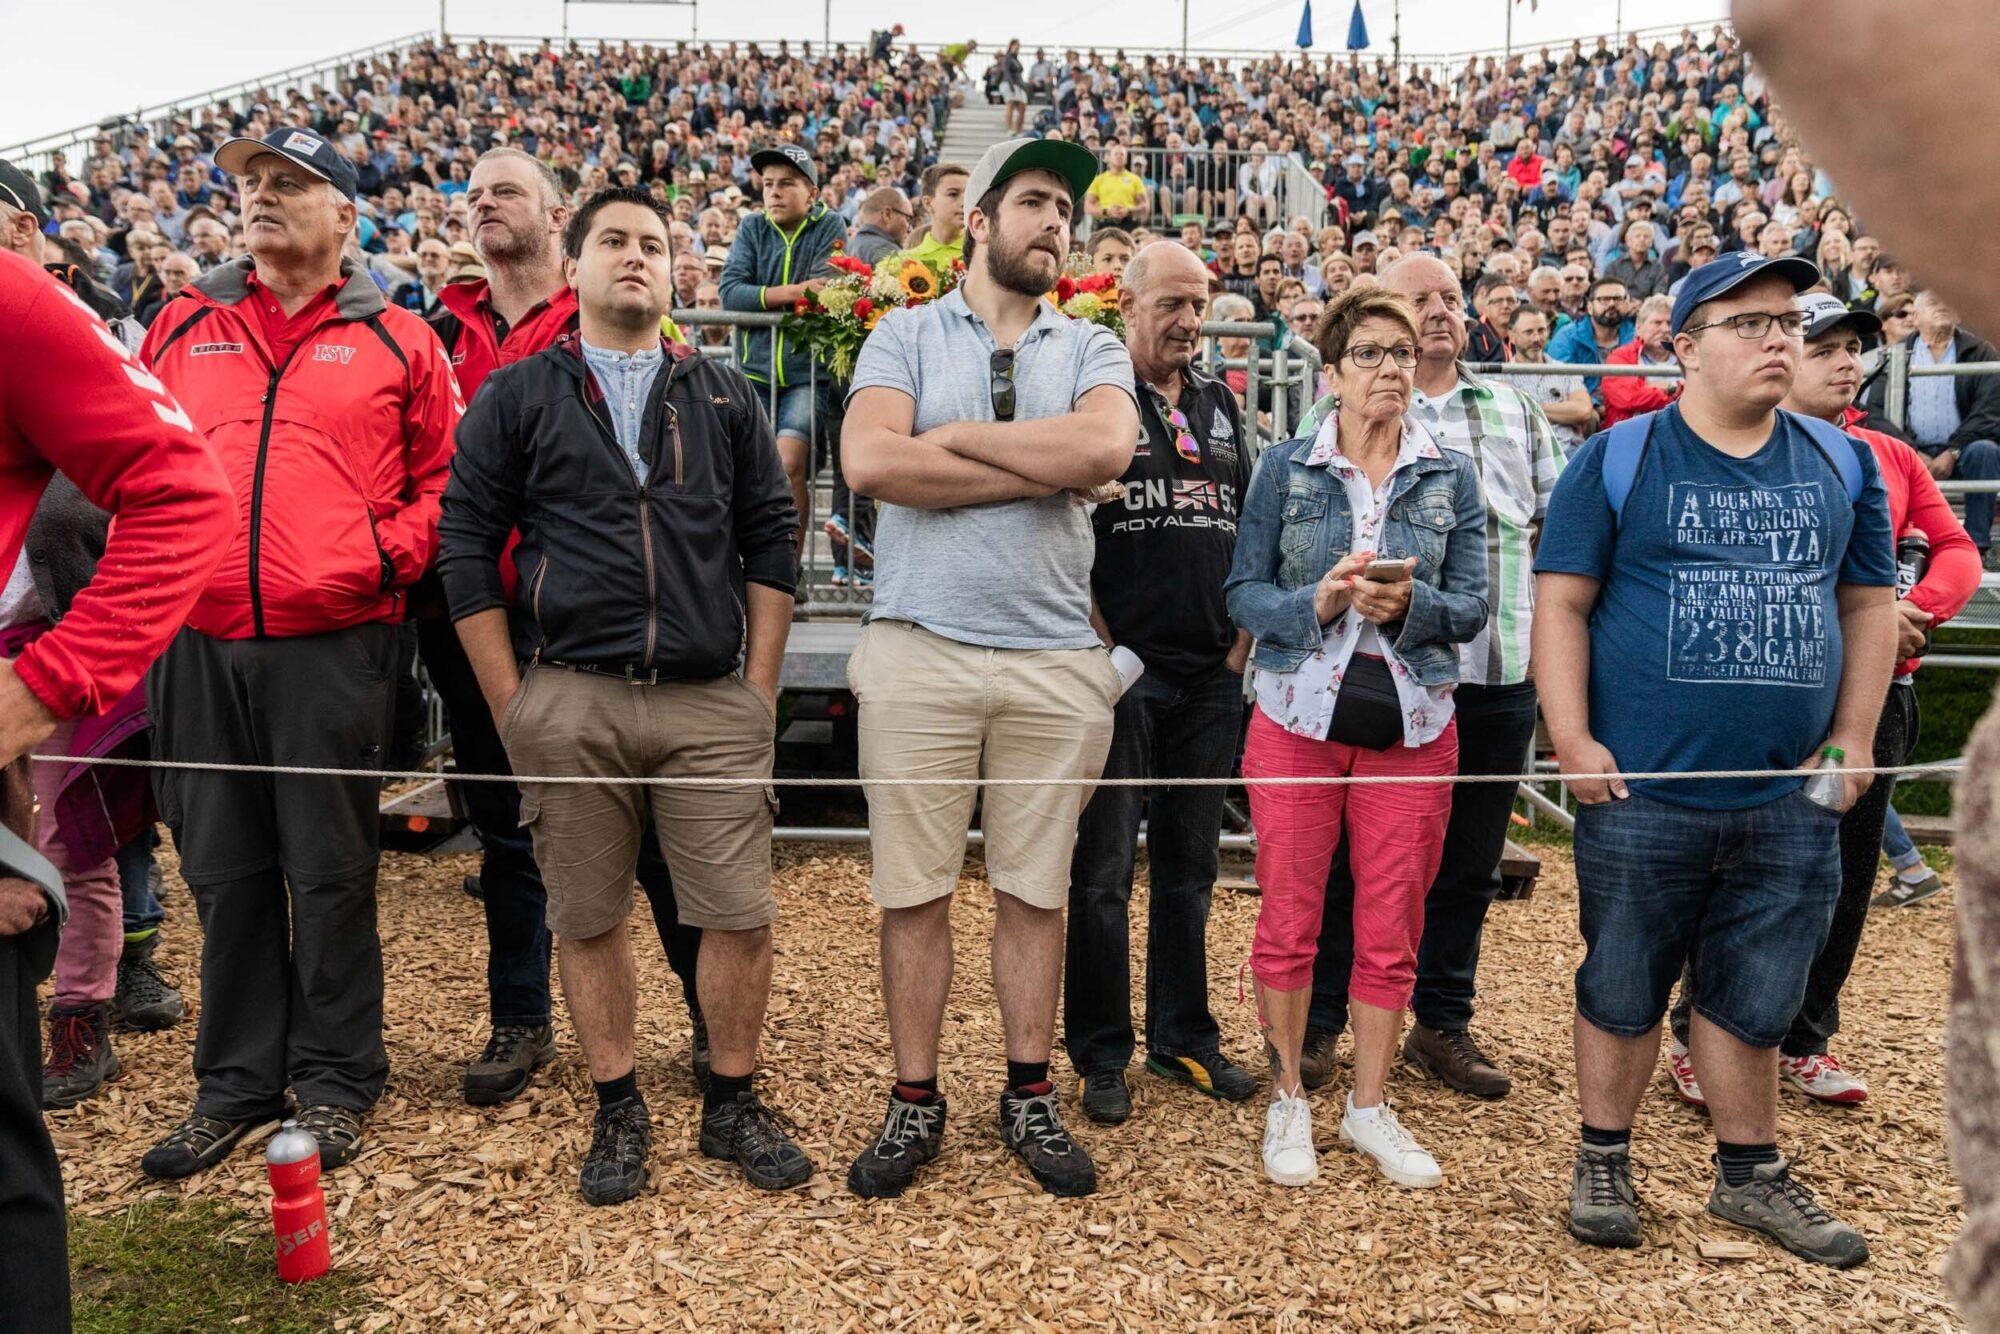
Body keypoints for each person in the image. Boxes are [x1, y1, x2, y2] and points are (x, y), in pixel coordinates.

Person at [441, 179, 807, 1204]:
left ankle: (729, 1094)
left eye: (652, 241)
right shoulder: (518, 394)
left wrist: (759, 690)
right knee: (587, 912)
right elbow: (463, 545)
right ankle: (617, 1103)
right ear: (575, 263)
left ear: (675, 265)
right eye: (613, 239)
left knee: (735, 911)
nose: (634, 255)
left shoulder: (726, 392)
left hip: (705, 700)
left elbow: (770, 538)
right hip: (573, 693)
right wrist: (514, 700)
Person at [1535, 253, 1897, 1267]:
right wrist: (1571, 738)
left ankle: (1748, 1173)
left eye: (1788, 320)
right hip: (1642, 783)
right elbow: (1558, 601)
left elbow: (1867, 605)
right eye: (1749, 322)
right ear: (1683, 345)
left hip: (1790, 791)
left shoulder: (1840, 463)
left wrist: (1854, 735)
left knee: (1756, 990)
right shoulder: (1616, 458)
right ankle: (1602, 1154)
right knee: (1620, 977)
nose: (1778, 337)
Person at [137, 127, 461, 1180]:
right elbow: (130, 461)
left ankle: (333, 1078)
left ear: (345, 218)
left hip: (335, 642)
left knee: (329, 872)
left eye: (290, 184)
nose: (262, 198)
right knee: (224, 871)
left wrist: (372, 561)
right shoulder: (183, 322)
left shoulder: (404, 339)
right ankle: (232, 1084)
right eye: (253, 185)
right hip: (196, 642)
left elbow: (443, 484)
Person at [840, 137, 1138, 1200]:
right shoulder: (901, 331)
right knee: (911, 890)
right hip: (919, 642)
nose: (1052, 220)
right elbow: (871, 462)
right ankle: (913, 1095)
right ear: (978, 222)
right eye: (1031, 202)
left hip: (1056, 655)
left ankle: (1027, 1090)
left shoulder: (1094, 345)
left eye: (1063, 206)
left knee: (1034, 890)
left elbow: (1102, 453)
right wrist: (1031, 465)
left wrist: (956, 441)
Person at [425, 147, 710, 1106]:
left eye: (505, 189)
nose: (482, 204)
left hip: (588, 620)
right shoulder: (439, 332)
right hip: (480, 616)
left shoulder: (599, 325)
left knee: (663, 842)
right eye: (472, 194)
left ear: (559, 223)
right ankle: (521, 1018)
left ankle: (711, 1023)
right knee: (506, 825)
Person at [1666, 292, 1978, 1107]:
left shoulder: (1888, 456)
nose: (1847, 362)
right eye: (1827, 345)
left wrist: (1918, 611)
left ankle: (1805, 1037)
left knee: (1843, 874)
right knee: (1736, 868)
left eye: (1856, 349)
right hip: (1777, 692)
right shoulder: (1723, 455)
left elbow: (1955, 549)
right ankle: (1700, 1033)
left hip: (1879, 695)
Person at [0, 245, 234, 1333]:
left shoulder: (10, 297)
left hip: (96, 679)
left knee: (102, 856)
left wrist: (44, 683)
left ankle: (90, 1007)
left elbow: (180, 489)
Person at [1226, 285, 1488, 1188]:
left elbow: (1474, 604)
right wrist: (1322, 600)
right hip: (1297, 717)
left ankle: (1370, 1107)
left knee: (1392, 923)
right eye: (1370, 353)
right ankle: (1289, 1097)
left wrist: (1414, 604)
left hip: (1413, 725)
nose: (1390, 370)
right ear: (1331, 371)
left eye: (1402, 355)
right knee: (1291, 913)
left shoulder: (1449, 473)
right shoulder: (1284, 468)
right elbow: (1243, 595)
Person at [1293, 256, 1565, 1102]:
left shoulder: (1516, 412)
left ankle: (1441, 1022)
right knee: (1349, 858)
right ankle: (1327, 1019)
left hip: (1493, 673)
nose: (1440, 313)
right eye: (1420, 302)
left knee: (1471, 863)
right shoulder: (1327, 415)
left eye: (1451, 297)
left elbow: (1558, 537)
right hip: (1378, 677)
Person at [1066, 241, 1257, 1124]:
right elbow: (1065, 536)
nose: (1189, 321)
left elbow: (1257, 532)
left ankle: (1183, 1036)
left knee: (1190, 870)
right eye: (1172, 304)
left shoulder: (1221, 405)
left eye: (1200, 304)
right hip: (1124, 674)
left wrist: (1239, 652)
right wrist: (1109, 654)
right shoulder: (1097, 398)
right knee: (1102, 871)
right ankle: (1100, 1053)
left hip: (1211, 676)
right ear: (1127, 304)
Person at [720, 145, 847, 562]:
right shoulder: (752, 227)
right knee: (747, 472)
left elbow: (827, 290)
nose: (773, 192)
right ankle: (748, 566)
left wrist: (766, 297)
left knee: (789, 464)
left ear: (812, 193)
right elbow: (730, 294)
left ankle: (785, 572)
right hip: (751, 374)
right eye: (768, 184)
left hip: (805, 373)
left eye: (786, 184)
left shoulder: (831, 224)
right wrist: (794, 293)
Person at [1861, 290, 2000, 567]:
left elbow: (1989, 411)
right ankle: (1897, 549)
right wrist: (1912, 451)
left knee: (1985, 451)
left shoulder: (1980, 350)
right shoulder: (1895, 354)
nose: (1943, 307)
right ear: (1916, 316)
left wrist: (1954, 451)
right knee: (1885, 456)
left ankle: (1976, 548)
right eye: (1935, 303)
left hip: (1963, 450)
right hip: (1913, 451)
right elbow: (1873, 412)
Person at [1507, 304, 1598, 448]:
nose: (1536, 338)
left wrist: (1528, 407)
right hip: (1526, 452)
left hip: (1569, 449)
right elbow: (1508, 418)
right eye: (1528, 332)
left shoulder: (1565, 370)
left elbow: (1583, 410)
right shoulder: (1501, 377)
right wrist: (1564, 414)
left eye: (1541, 330)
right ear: (1512, 336)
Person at [1598, 294, 1682, 429]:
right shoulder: (1620, 356)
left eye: (1670, 323)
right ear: (1638, 328)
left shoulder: (1688, 357)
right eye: (1657, 323)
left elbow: (1701, 396)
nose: (1665, 329)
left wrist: (1661, 386)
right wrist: (1676, 392)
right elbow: (1628, 397)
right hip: (1632, 435)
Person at [1548, 277, 1635, 399]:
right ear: (1589, 306)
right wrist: (1594, 405)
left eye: (1618, 299)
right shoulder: (1567, 337)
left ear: (1627, 304)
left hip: (1626, 407)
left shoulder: (1637, 337)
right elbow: (1559, 385)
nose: (1611, 304)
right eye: (1604, 299)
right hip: (1585, 410)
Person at [907, 162, 969, 269]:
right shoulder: (908, 261)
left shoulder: (985, 254)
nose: (965, 202)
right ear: (928, 203)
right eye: (953, 194)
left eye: (968, 193)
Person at [848, 187, 914, 266]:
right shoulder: (887, 252)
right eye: (908, 219)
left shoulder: (849, 245)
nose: (910, 229)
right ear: (887, 215)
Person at [1086, 145, 1149, 228]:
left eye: (1122, 154)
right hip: (1104, 223)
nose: (1119, 156)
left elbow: (1145, 206)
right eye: (1116, 154)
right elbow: (1088, 207)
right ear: (1109, 158)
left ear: (1126, 159)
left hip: (1129, 222)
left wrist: (1128, 211)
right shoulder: (1099, 180)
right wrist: (1107, 211)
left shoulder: (1135, 179)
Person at [1464, 274, 1517, 364]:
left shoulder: (1524, 333)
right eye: (1498, 301)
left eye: (1510, 300)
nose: (1505, 306)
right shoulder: (1471, 335)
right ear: (1486, 309)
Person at [393, 237, 451, 316]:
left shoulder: (454, 294)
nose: (428, 259)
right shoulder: (404, 291)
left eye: (435, 255)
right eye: (423, 255)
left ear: (448, 261)